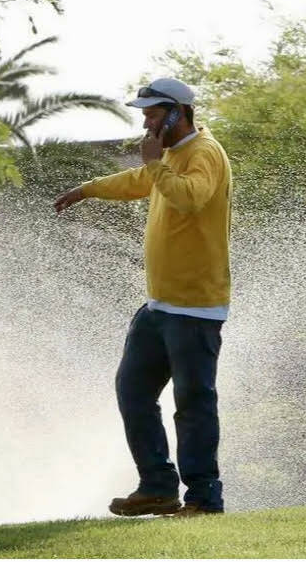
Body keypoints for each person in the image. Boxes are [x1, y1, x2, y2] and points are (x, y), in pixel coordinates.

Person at [53, 77, 233, 517]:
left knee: (193, 404)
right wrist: (88, 188)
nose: (146, 122)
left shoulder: (204, 152)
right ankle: (157, 486)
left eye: (153, 113)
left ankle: (204, 500)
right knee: (132, 390)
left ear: (178, 112)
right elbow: (141, 180)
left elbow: (191, 197)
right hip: (159, 305)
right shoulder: (169, 156)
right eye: (145, 113)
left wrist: (155, 165)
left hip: (194, 306)